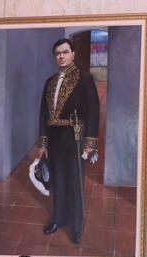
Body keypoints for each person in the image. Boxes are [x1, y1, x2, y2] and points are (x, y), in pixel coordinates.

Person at [37, 38, 101, 245]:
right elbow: (43, 113)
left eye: (65, 52)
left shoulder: (85, 79)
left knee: (74, 181)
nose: (61, 56)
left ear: (73, 54)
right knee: (57, 180)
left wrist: (89, 143)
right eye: (58, 53)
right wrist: (43, 143)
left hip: (74, 137)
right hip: (54, 138)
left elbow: (93, 111)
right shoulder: (49, 82)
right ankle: (58, 219)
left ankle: (75, 226)